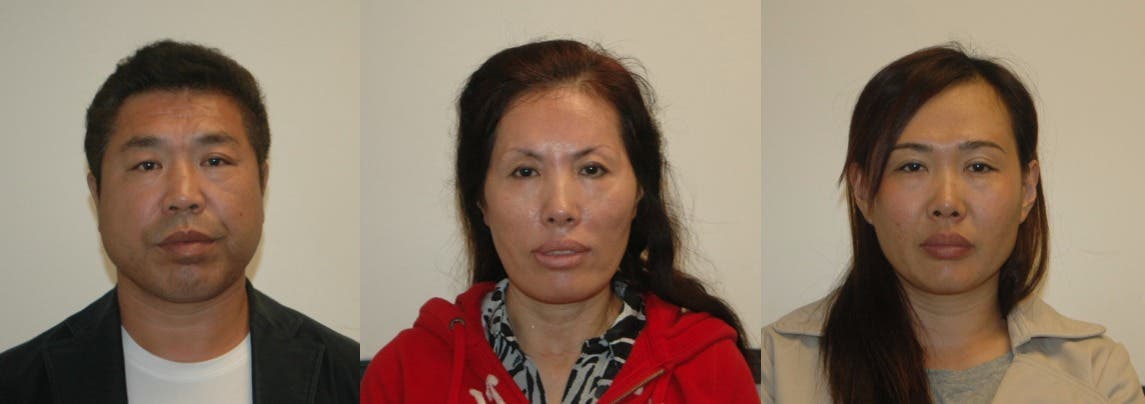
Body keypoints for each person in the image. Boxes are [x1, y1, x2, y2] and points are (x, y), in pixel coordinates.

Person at [362, 39, 758, 403]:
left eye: (591, 169)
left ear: (640, 190)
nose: (560, 207)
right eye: (525, 172)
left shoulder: (710, 371)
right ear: (480, 200)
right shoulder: (404, 375)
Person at [760, 44, 1145, 403]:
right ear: (863, 191)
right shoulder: (781, 366)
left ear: (1027, 189)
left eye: (979, 166)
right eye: (912, 166)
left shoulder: (1098, 375)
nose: (946, 203)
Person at [0, 40, 359, 403]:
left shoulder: (354, 381)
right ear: (98, 194)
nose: (184, 195)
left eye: (215, 161)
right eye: (147, 165)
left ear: (262, 184)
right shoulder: (15, 386)